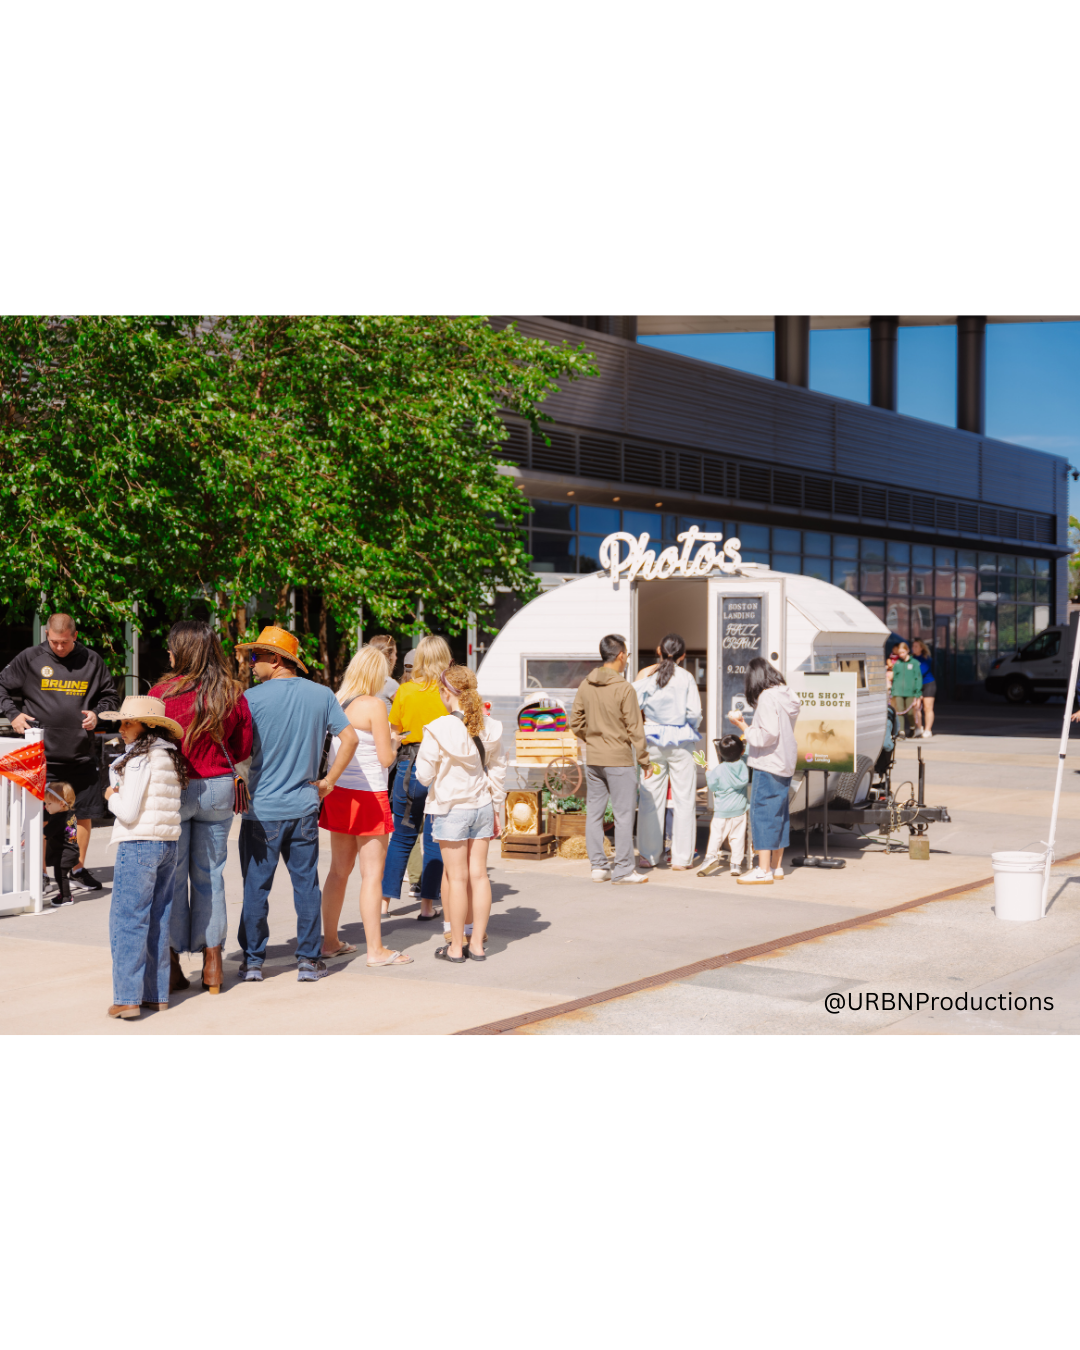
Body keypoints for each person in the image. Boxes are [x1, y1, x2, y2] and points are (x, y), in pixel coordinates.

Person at [234, 626, 358, 984]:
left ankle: (254, 962)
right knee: (306, 886)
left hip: (263, 811)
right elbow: (348, 738)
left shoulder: (250, 700)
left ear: (275, 660)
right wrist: (329, 781)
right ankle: (307, 960)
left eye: (256, 656)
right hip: (304, 806)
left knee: (256, 887)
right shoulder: (321, 695)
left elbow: (240, 751)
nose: (251, 663)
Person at [150, 621, 253, 997]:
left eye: (172, 647)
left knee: (173, 878)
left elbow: (150, 742)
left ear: (182, 650)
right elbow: (242, 748)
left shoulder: (161, 693)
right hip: (219, 789)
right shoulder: (231, 691)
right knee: (212, 875)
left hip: (174, 788)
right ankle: (213, 964)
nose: (169, 653)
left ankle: (174, 963)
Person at [0, 612, 119, 894]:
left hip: (80, 752)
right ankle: (40, 873)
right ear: (46, 636)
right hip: (43, 754)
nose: (59, 648)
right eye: (54, 642)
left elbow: (110, 696)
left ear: (75, 636)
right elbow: (2, 684)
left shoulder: (91, 660)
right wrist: (13, 714)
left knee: (83, 814)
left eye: (64, 642)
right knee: (42, 816)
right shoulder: (30, 658)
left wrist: (97, 714)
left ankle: (76, 869)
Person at [319, 645, 411, 967]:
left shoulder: (337, 699)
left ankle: (330, 941)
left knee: (337, 872)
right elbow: (385, 758)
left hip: (340, 792)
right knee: (372, 875)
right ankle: (376, 950)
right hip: (370, 795)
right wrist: (395, 742)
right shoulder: (374, 705)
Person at [98, 695, 186, 1019]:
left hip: (138, 844)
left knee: (128, 920)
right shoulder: (169, 756)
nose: (121, 728)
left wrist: (111, 795)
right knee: (158, 920)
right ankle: (156, 994)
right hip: (167, 844)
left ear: (147, 725)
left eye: (128, 722)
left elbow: (129, 810)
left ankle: (127, 998)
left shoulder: (138, 759)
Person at [415, 665, 506, 963]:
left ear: (445, 693)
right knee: (479, 876)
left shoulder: (438, 728)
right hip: (481, 806)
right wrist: (497, 807)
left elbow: (424, 776)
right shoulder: (490, 726)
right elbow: (497, 771)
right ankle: (477, 944)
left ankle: (456, 947)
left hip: (450, 808)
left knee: (456, 878)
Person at [570, 634, 651, 885]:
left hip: (593, 759)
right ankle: (625, 869)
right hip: (619, 760)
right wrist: (645, 760)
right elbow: (635, 729)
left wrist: (593, 739)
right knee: (623, 815)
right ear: (619, 656)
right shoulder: (624, 688)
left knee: (594, 813)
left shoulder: (586, 684)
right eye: (625, 654)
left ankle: (599, 867)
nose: (626, 659)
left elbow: (575, 723)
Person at [382, 635, 453, 920]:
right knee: (435, 839)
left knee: (401, 837)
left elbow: (394, 732)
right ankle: (427, 906)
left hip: (409, 767)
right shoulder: (449, 693)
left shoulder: (406, 691)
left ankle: (383, 905)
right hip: (442, 769)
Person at [727, 658, 801, 886]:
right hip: (785, 762)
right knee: (778, 814)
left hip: (768, 762)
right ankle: (777, 867)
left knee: (762, 814)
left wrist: (741, 726)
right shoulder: (785, 694)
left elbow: (766, 735)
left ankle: (763, 870)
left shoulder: (767, 697)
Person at [633, 633, 702, 870]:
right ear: (683, 656)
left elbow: (631, 704)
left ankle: (648, 856)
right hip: (681, 743)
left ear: (659, 651)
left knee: (650, 798)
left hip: (652, 742)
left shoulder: (648, 679)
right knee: (684, 799)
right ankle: (682, 859)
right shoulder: (687, 678)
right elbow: (694, 714)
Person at [700, 735, 749, 878]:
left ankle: (710, 857)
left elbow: (713, 786)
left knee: (716, 835)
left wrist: (708, 773)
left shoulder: (718, 769)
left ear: (720, 753)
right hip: (739, 809)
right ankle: (736, 864)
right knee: (737, 837)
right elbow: (744, 778)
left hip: (721, 811)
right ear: (742, 751)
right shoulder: (743, 766)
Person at [43, 780, 80, 907]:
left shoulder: (59, 819)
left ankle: (66, 897)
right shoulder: (69, 814)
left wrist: (29, 838)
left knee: (61, 876)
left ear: (61, 803)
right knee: (61, 875)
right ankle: (64, 894)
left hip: (65, 853)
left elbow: (44, 833)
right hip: (69, 850)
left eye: (49, 803)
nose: (46, 807)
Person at [890, 642, 923, 739]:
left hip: (910, 691)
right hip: (898, 691)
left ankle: (912, 728)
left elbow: (918, 678)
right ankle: (901, 732)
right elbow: (894, 678)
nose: (901, 655)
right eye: (899, 653)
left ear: (907, 651)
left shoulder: (915, 663)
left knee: (910, 713)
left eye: (903, 652)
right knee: (899, 711)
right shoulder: (897, 664)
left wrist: (918, 693)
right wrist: (892, 691)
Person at [910, 639, 936, 738]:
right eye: (913, 646)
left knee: (927, 707)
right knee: (916, 707)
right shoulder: (911, 659)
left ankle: (928, 730)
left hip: (928, 683)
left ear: (921, 648)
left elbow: (920, 673)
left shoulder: (926, 658)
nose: (914, 648)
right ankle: (918, 728)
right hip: (915, 685)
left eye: (916, 646)